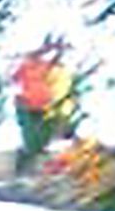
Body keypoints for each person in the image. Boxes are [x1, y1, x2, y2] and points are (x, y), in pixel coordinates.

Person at [8, 39, 79, 171]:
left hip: (43, 106)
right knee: (31, 140)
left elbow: (55, 62)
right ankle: (25, 167)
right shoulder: (25, 66)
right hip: (28, 105)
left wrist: (59, 48)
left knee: (42, 139)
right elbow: (13, 78)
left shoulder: (45, 66)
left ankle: (36, 167)